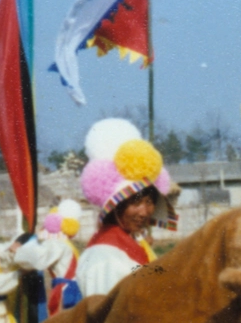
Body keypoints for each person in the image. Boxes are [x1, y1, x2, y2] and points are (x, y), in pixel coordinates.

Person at [76, 118, 177, 297]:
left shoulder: (132, 243)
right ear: (115, 207)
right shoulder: (103, 256)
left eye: (149, 202)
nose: (144, 212)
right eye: (135, 203)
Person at [12, 199, 84, 320]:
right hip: (71, 293)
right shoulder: (64, 244)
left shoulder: (59, 244)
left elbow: (37, 258)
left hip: (66, 294)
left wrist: (18, 251)